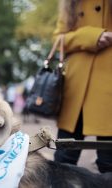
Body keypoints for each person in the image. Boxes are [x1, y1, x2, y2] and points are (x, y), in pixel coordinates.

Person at [54, 0, 112, 173]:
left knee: (108, 163)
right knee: (64, 162)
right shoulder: (70, 3)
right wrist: (89, 36)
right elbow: (58, 39)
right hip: (75, 90)